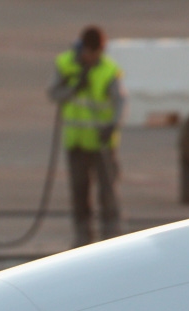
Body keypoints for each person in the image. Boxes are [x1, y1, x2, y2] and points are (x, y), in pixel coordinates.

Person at [48, 25, 126, 247]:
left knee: (108, 193)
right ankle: (83, 240)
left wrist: (112, 126)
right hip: (77, 142)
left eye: (96, 53)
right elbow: (53, 93)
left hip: (102, 143)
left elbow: (120, 102)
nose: (92, 57)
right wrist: (73, 87)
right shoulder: (65, 64)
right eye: (89, 52)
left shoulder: (109, 71)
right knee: (79, 193)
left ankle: (112, 240)